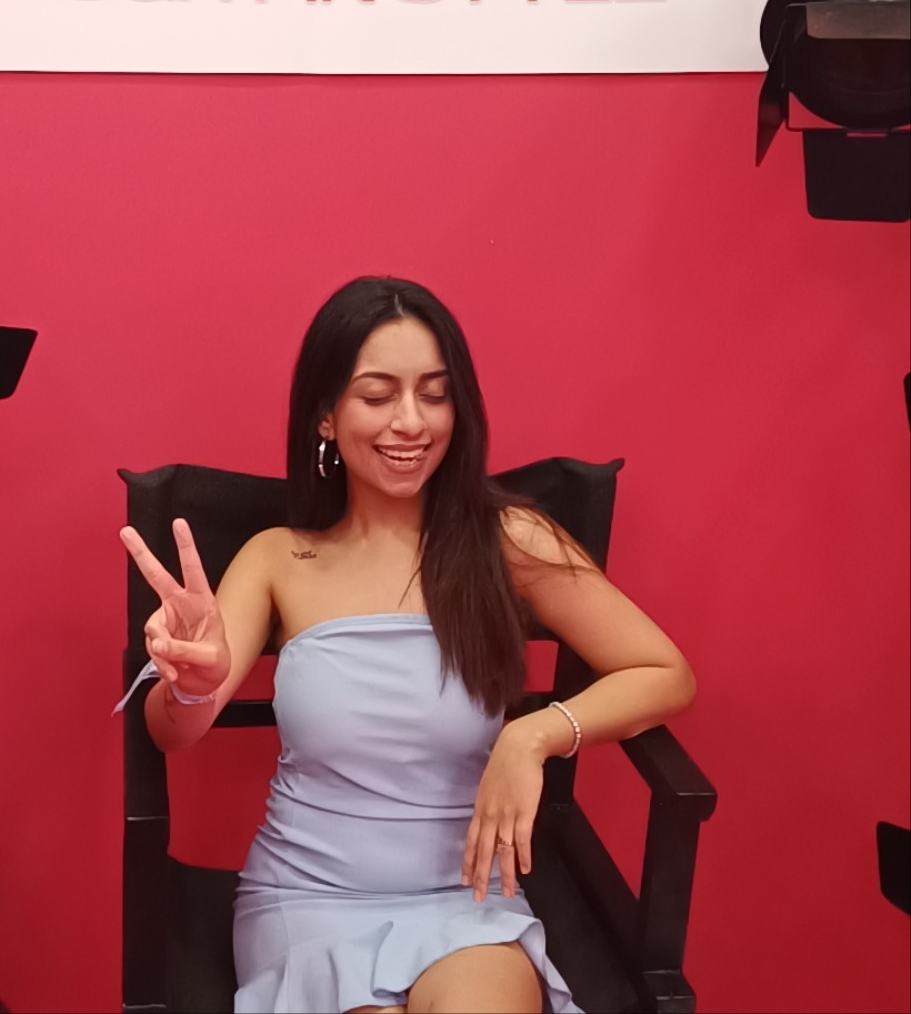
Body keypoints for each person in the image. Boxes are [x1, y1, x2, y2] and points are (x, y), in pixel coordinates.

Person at [117, 277, 696, 1014]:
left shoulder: (507, 539)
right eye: (378, 395)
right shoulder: (277, 558)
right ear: (326, 415)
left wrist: (535, 735)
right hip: (309, 899)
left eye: (435, 393)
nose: (411, 422)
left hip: (466, 898)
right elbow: (170, 732)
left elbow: (666, 672)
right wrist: (193, 684)